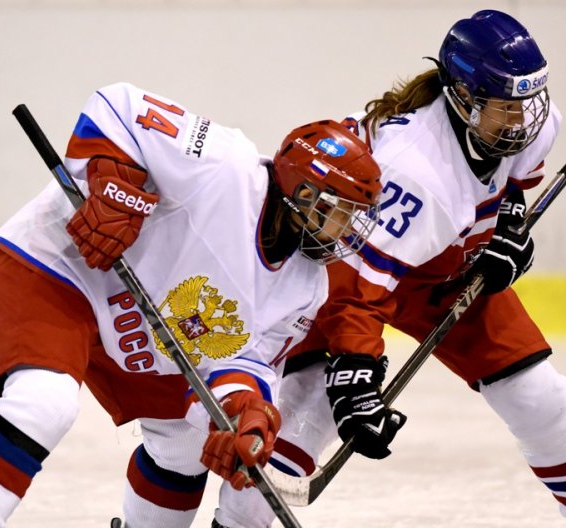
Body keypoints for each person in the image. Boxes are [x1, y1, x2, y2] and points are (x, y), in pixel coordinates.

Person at [0, 81, 384, 527]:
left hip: (144, 330)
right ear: (305, 197)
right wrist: (116, 187)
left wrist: (246, 412)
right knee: (44, 403)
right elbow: (117, 107)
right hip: (64, 266)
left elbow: (243, 363)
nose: (348, 233)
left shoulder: (307, 288)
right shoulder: (225, 166)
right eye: (344, 213)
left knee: (185, 448)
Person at [213, 9, 564, 527]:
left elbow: (513, 188)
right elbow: (356, 291)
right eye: (503, 107)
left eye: (526, 103)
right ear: (462, 98)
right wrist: (355, 379)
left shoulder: (532, 126)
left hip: (439, 271)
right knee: (310, 411)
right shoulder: (418, 169)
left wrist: (508, 231)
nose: (521, 120)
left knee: (543, 399)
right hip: (333, 264)